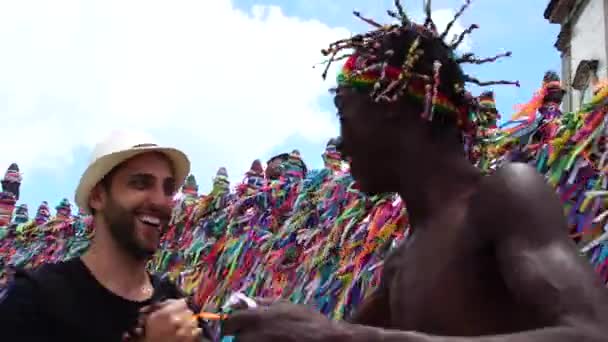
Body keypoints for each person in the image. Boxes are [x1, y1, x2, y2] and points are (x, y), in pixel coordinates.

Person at [222, 2, 608, 342]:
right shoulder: (402, 263)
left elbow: (590, 334)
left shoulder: (506, 195)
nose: (340, 143)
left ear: (393, 112)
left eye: (345, 116)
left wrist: (340, 337)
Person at [0, 131, 206, 342]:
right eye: (141, 184)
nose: (160, 201)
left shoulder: (180, 312)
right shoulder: (36, 300)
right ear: (98, 196)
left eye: (168, 189)